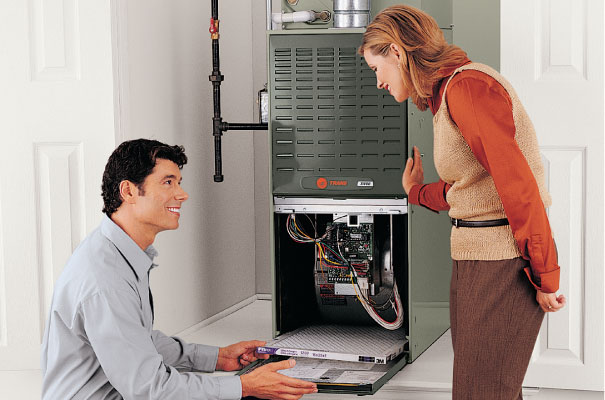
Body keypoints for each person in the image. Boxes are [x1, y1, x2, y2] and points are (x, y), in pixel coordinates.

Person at [358, 5, 566, 400]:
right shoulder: (447, 95)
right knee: (488, 389)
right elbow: (471, 190)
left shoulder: (468, 88)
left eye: (375, 68)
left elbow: (518, 186)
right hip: (475, 261)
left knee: (481, 393)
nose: (379, 82)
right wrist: (416, 191)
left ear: (397, 52)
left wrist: (546, 274)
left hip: (500, 264)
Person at [41, 139, 317, 400]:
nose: (182, 194)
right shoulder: (105, 279)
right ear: (129, 191)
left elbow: (137, 341)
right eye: (167, 182)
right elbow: (149, 389)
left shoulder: (116, 253)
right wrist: (242, 386)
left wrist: (218, 357)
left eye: (179, 182)